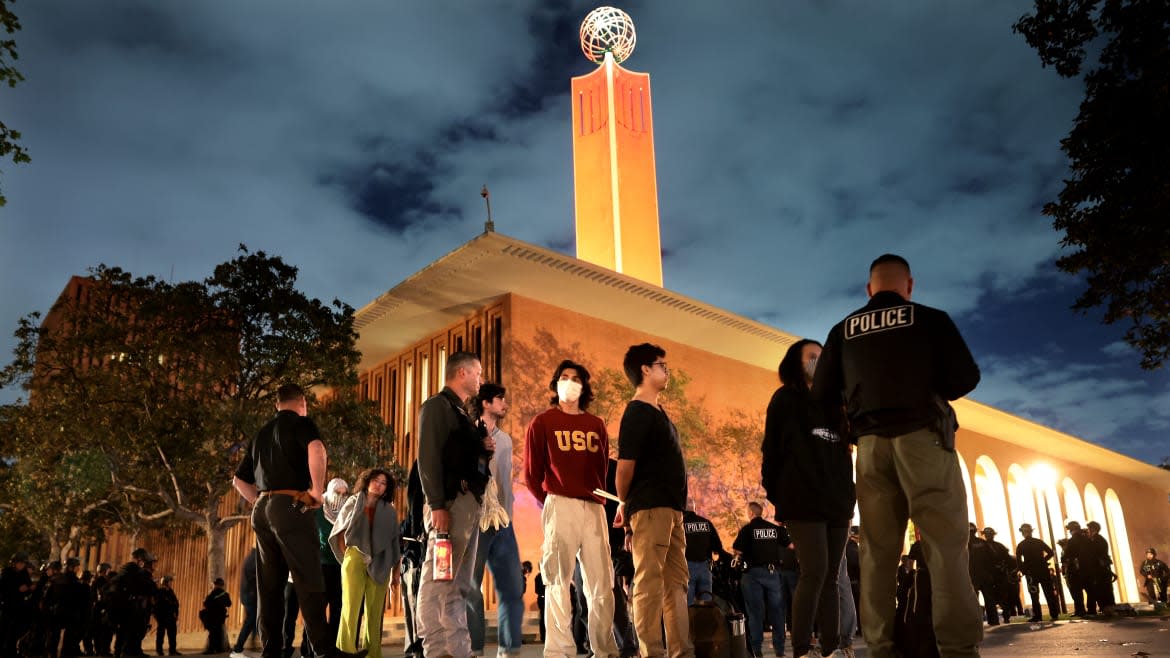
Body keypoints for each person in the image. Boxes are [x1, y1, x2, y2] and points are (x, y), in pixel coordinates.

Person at [811, 254, 983, 658]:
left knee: (876, 554)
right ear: (909, 286)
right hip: (924, 441)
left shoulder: (843, 330)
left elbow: (820, 398)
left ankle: (881, 647)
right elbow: (966, 377)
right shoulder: (930, 319)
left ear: (869, 289)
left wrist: (844, 426)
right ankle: (958, 648)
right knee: (946, 548)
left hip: (869, 449)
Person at [231, 383, 366, 658]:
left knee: (269, 585)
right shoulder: (301, 424)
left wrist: (260, 500)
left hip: (262, 510)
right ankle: (324, 650)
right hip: (292, 505)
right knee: (309, 579)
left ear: (276, 404)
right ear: (302, 402)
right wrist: (317, 491)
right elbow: (317, 449)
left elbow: (238, 480)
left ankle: (272, 651)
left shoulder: (261, 433)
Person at [761, 338, 855, 658]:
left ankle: (832, 647)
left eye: (822, 357)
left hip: (838, 504)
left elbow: (847, 453)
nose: (819, 361)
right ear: (797, 363)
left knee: (831, 577)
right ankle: (802, 648)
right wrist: (778, 496)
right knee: (813, 571)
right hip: (802, 502)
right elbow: (771, 451)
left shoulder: (837, 402)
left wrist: (849, 497)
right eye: (812, 356)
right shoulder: (785, 399)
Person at [524, 361, 619, 658]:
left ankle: (603, 648)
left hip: (593, 507)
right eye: (563, 378)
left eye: (576, 379)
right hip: (559, 504)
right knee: (556, 580)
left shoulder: (596, 425)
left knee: (601, 582)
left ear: (584, 386)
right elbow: (531, 472)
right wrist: (552, 498)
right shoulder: (543, 422)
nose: (569, 383)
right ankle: (558, 650)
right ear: (555, 384)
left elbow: (603, 470)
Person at [615, 343, 693, 658]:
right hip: (650, 508)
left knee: (677, 584)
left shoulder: (659, 411)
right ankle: (652, 653)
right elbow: (624, 469)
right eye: (662, 365)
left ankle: (681, 652)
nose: (667, 371)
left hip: (672, 510)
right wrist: (625, 503)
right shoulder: (637, 411)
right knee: (649, 583)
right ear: (645, 370)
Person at [416, 351, 492, 658]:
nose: (481, 379)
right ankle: (436, 649)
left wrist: (482, 447)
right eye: (478, 373)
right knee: (439, 576)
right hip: (448, 504)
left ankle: (457, 649)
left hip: (467, 505)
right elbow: (428, 457)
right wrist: (436, 505)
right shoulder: (437, 406)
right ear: (462, 373)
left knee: (458, 582)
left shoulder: (461, 412)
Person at [466, 383, 525, 658]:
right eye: (500, 398)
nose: (505, 403)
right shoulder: (466, 433)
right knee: (471, 587)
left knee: (513, 586)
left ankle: (508, 650)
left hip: (502, 522)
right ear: (486, 403)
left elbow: (505, 482)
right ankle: (475, 649)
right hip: (475, 521)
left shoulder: (506, 439)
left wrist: (509, 518)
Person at [329, 467, 400, 658]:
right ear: (367, 481)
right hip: (354, 558)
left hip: (381, 562)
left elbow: (395, 544)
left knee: (375, 613)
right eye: (376, 480)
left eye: (383, 483)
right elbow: (340, 531)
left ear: (387, 489)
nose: (379, 485)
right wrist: (349, 555)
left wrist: (395, 574)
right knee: (350, 608)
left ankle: (373, 654)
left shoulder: (390, 512)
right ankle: (345, 652)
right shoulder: (353, 502)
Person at [732, 502, 789, 658]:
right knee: (777, 611)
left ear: (750, 513)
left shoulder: (747, 530)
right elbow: (790, 545)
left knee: (755, 612)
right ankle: (780, 650)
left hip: (752, 575)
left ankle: (757, 650)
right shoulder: (774, 529)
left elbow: (737, 550)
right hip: (772, 573)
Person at [319, 479, 350, 646]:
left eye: (344, 494)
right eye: (337, 493)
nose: (341, 497)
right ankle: (313, 648)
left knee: (338, 607)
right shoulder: (318, 511)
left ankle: (332, 646)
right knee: (319, 608)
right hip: (321, 566)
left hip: (340, 565)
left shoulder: (347, 514)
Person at [111, 548, 158, 658]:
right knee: (131, 630)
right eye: (148, 562)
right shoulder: (133, 571)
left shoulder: (136, 572)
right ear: (141, 561)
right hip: (131, 607)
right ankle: (126, 652)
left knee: (137, 630)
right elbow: (145, 588)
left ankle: (134, 650)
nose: (151, 566)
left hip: (137, 607)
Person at [1015, 523, 1059, 622]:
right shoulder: (1038, 542)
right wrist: (1043, 560)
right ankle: (1054, 614)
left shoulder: (1021, 545)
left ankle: (1037, 616)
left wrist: (1023, 569)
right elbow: (1051, 552)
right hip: (1043, 570)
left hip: (1031, 573)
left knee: (1034, 595)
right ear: (1031, 531)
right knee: (1049, 593)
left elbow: (1018, 561)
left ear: (1022, 533)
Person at [683, 503, 724, 606]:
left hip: (686, 568)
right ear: (694, 508)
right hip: (705, 568)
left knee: (688, 606)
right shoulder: (706, 523)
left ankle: (690, 622)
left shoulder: (680, 524)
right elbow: (717, 547)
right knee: (706, 605)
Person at [1, 551, 34, 658]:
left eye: (24, 563)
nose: (22, 565)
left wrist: (29, 589)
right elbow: (3, 591)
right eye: (20, 563)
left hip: (20, 608)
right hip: (8, 607)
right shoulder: (6, 574)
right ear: (14, 563)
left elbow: (28, 586)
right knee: (6, 631)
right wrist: (17, 590)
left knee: (16, 632)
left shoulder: (24, 574)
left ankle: (13, 650)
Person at [231, 548, 259, 658]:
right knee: (250, 622)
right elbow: (256, 577)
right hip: (251, 596)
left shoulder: (251, 558)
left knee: (253, 620)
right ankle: (237, 649)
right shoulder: (254, 560)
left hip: (248, 595)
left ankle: (252, 643)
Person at [1083, 521, 1115, 611]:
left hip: (1100, 568)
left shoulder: (1097, 540)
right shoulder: (1097, 539)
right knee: (1103, 588)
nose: (1087, 531)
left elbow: (1095, 554)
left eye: (1089, 529)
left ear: (1093, 529)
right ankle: (1106, 606)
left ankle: (1106, 607)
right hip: (1101, 567)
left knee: (1102, 588)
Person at [1061, 521, 1090, 616]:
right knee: (1089, 590)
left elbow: (1067, 555)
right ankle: (1091, 609)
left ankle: (1080, 610)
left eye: (1070, 530)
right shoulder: (1087, 539)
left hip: (1075, 570)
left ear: (1072, 530)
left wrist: (1064, 556)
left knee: (1076, 592)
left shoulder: (1072, 541)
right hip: (1087, 568)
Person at [201, 578, 232, 654]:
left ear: (217, 585)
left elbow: (206, 603)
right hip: (221, 617)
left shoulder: (213, 593)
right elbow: (229, 604)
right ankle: (219, 649)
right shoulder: (225, 594)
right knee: (219, 632)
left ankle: (211, 649)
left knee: (213, 633)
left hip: (212, 616)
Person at [153, 576, 179, 657]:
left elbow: (176, 603)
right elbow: (156, 606)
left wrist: (176, 614)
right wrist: (158, 617)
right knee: (161, 634)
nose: (171, 583)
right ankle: (159, 651)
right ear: (165, 582)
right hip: (162, 617)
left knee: (172, 634)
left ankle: (173, 650)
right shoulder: (160, 592)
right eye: (169, 581)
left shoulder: (171, 591)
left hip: (171, 616)